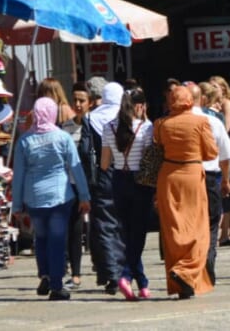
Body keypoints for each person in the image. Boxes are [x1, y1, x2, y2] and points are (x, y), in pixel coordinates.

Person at [12, 97, 91, 301]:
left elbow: (18, 174)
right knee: (57, 240)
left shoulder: (24, 141)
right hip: (60, 196)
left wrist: (17, 204)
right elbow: (76, 167)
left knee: (41, 238)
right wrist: (84, 195)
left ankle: (45, 274)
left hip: (34, 197)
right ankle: (56, 285)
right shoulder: (63, 138)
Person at [156, 86, 218, 299]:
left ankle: (181, 281)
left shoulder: (161, 124)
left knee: (173, 229)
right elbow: (211, 153)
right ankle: (184, 272)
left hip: (168, 177)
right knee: (198, 229)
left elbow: (158, 146)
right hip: (192, 175)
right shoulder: (201, 122)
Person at [100, 88, 155, 300]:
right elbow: (148, 160)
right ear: (138, 106)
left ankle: (142, 283)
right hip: (140, 183)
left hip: (118, 181)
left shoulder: (109, 127)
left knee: (127, 233)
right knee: (138, 235)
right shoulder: (146, 127)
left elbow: (105, 163)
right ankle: (126, 276)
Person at [188, 83, 230, 285]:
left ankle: (194, 265)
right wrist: (226, 180)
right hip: (210, 176)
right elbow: (225, 157)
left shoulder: (171, 121)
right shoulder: (213, 122)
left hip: (186, 176)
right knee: (212, 222)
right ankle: (208, 261)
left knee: (190, 223)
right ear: (203, 99)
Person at [85, 82, 127, 295]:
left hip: (102, 175)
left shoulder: (92, 118)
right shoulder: (128, 118)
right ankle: (122, 271)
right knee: (122, 223)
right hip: (127, 174)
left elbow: (85, 150)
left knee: (104, 224)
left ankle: (112, 274)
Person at [62, 81, 91, 289]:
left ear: (90, 102)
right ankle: (76, 273)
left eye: (82, 100)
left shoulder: (94, 126)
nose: (78, 104)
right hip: (71, 185)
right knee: (74, 229)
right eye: (75, 100)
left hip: (93, 184)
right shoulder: (66, 128)